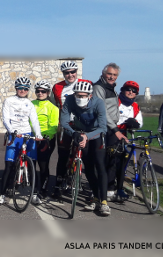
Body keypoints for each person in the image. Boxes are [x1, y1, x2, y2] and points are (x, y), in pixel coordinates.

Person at [60, 80, 110, 216]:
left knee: (99, 164)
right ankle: (95, 197)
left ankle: (104, 202)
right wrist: (75, 133)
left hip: (96, 133)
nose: (80, 98)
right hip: (79, 132)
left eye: (83, 96)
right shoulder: (69, 100)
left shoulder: (98, 103)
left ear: (90, 95)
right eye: (77, 95)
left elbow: (103, 127)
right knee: (87, 167)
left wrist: (87, 136)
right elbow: (64, 121)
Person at [0, 77, 42, 205]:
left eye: (26, 89)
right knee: (9, 166)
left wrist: (38, 134)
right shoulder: (9, 101)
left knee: (32, 165)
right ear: (16, 88)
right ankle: (2, 194)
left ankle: (35, 194)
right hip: (14, 135)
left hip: (27, 134)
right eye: (20, 88)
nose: (23, 90)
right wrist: (11, 130)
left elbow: (35, 120)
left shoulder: (30, 104)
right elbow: (5, 118)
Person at [51, 60, 86, 199]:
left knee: (81, 153)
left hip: (82, 124)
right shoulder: (57, 87)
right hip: (65, 124)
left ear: (76, 72)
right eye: (67, 73)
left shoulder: (85, 83)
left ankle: (76, 180)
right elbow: (55, 106)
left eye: (73, 72)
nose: (70, 75)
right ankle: (59, 184)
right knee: (63, 155)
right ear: (63, 74)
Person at [93, 63, 127, 201]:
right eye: (109, 74)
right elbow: (102, 111)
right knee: (100, 161)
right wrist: (115, 129)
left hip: (111, 126)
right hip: (103, 127)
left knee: (112, 159)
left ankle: (109, 189)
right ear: (103, 73)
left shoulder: (111, 88)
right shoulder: (99, 87)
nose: (112, 77)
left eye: (114, 75)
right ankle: (97, 191)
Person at [113, 80, 144, 201]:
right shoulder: (116, 102)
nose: (131, 92)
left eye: (134, 91)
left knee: (122, 161)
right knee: (112, 161)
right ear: (123, 90)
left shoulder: (135, 106)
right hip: (112, 132)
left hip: (125, 135)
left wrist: (134, 124)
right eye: (128, 89)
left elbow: (139, 122)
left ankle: (119, 187)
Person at [31, 79, 60, 201]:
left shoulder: (53, 108)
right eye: (38, 91)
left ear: (48, 93)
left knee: (43, 165)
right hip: (32, 137)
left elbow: (53, 126)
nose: (40, 93)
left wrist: (46, 136)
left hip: (46, 139)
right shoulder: (30, 104)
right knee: (31, 164)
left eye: (43, 91)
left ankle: (43, 189)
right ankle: (33, 187)